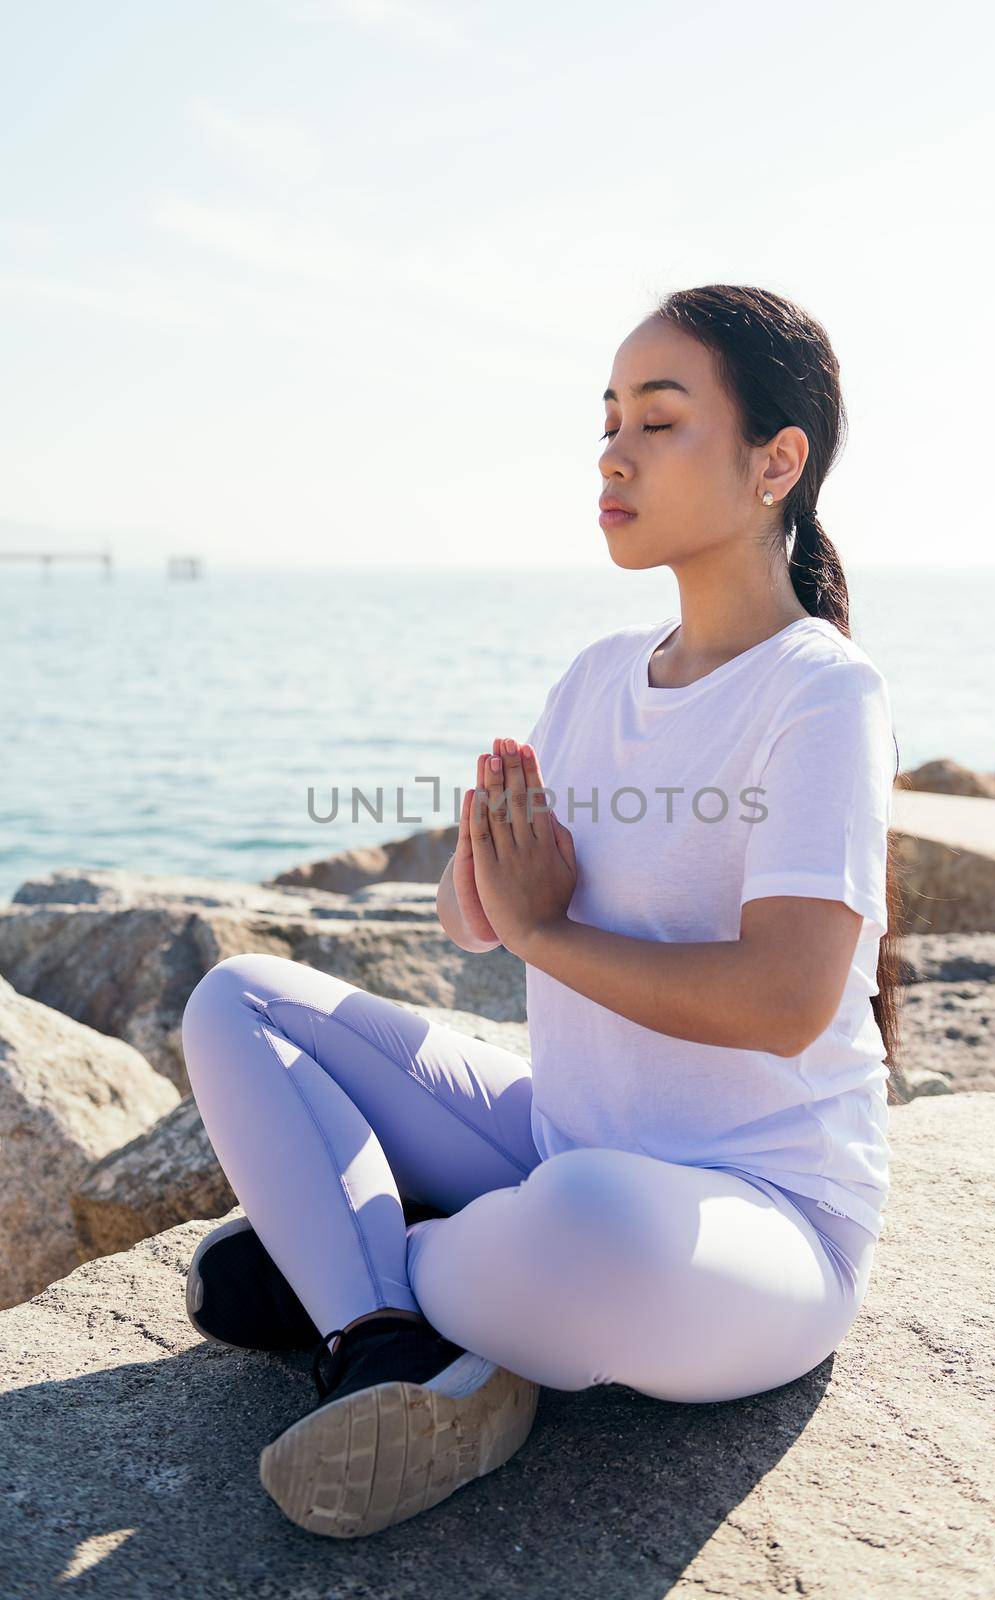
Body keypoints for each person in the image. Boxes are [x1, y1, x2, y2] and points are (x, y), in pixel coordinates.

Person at [181, 282, 903, 1541]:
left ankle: (352, 1263)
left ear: (773, 461)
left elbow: (786, 1001)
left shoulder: (820, 693)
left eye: (660, 421)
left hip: (755, 1220)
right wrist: (491, 868)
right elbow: (481, 923)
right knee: (237, 998)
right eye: (608, 419)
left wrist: (546, 932)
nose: (613, 452)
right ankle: (387, 1333)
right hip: (557, 1129)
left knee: (592, 1224)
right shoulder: (596, 675)